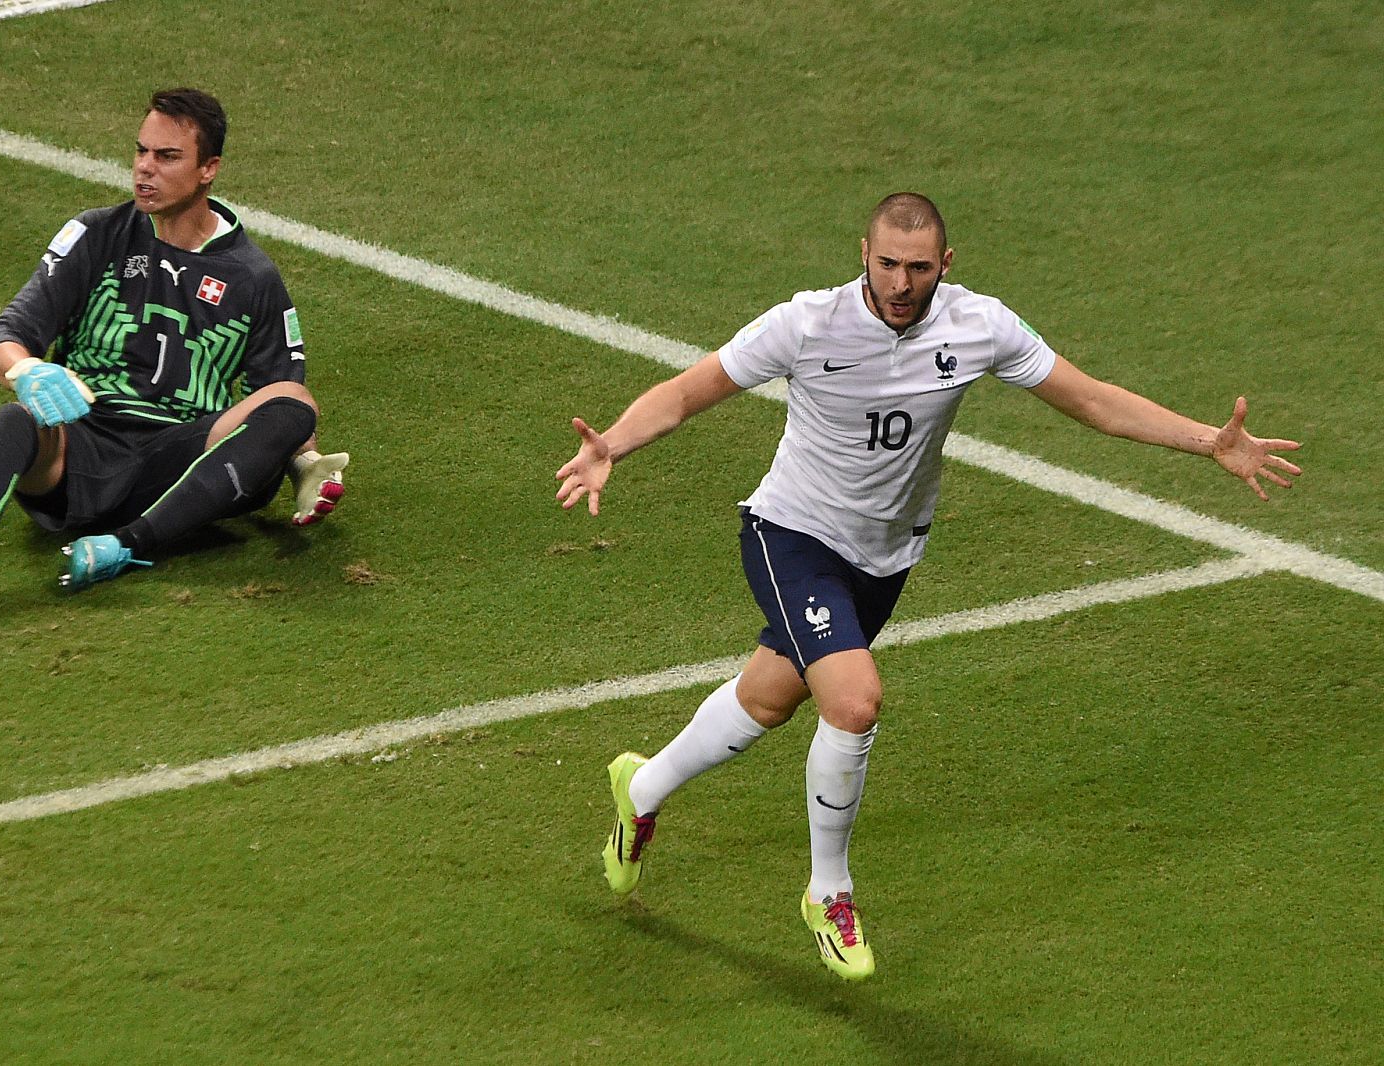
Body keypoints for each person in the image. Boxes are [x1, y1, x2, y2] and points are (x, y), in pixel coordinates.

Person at [554, 192, 1301, 980]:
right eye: (887, 264)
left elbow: (1091, 401)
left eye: (917, 267)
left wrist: (1205, 442)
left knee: (771, 698)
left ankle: (643, 786)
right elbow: (685, 392)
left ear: (945, 264)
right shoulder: (807, 324)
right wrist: (617, 446)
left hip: (886, 559)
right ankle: (827, 893)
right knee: (854, 699)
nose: (901, 282)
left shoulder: (980, 325)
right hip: (792, 535)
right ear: (863, 256)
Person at [0, 87, 349, 627]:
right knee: (18, 416)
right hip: (80, 448)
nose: (145, 170)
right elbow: (8, 333)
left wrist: (302, 465)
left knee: (295, 402)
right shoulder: (97, 235)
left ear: (208, 169)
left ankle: (125, 546)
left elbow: (278, 397)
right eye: (141, 152)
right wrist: (25, 369)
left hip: (182, 462)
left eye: (167, 157)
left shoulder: (253, 277)